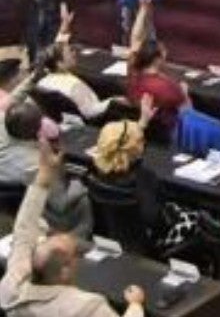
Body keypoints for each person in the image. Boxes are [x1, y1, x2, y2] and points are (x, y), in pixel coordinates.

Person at [0, 136, 131, 317]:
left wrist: (43, 179)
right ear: (65, 270)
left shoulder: (11, 290)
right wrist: (135, 306)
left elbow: (23, 234)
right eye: (74, 254)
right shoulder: (88, 307)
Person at [0, 99, 91, 237]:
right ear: (39, 128)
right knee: (83, 199)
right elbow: (61, 204)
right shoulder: (39, 164)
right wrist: (80, 181)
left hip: (8, 208)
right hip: (40, 211)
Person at [89, 102, 164, 229]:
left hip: (111, 230)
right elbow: (153, 218)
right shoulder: (144, 177)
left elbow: (121, 141)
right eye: (140, 141)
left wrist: (142, 122)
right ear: (136, 148)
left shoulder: (97, 170)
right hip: (149, 237)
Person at [124, 0, 188, 138]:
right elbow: (187, 112)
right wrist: (184, 92)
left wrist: (143, 8)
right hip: (168, 133)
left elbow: (135, 38)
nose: (167, 54)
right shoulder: (166, 86)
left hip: (147, 127)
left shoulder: (133, 72)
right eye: (164, 53)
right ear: (157, 59)